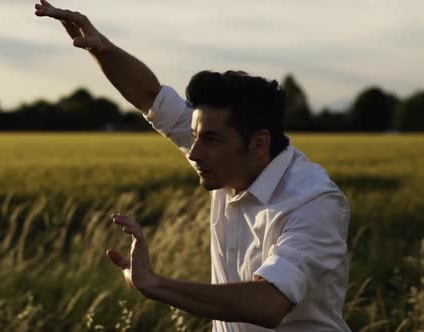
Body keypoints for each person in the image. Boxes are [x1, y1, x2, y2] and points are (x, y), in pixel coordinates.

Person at [35, 1, 351, 331]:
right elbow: (151, 97)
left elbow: (269, 302)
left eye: (210, 139)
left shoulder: (313, 202)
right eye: (195, 135)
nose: (194, 152)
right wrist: (102, 49)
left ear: (259, 142)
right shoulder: (228, 156)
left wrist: (154, 284)